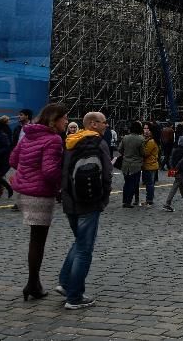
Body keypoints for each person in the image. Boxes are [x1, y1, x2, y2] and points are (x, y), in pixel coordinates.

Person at [9, 103, 67, 300]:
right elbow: (50, 171)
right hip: (40, 193)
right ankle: (32, 283)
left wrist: (27, 172)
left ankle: (34, 283)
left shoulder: (29, 135)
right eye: (64, 118)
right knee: (38, 240)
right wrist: (62, 183)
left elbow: (13, 160)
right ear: (54, 119)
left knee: (36, 238)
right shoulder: (53, 140)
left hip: (24, 192)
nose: (67, 122)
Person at [58, 111, 112, 310]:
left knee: (79, 242)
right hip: (89, 202)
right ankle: (74, 297)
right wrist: (104, 198)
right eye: (104, 122)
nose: (106, 125)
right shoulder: (99, 143)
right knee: (84, 249)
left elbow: (62, 171)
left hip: (69, 200)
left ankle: (65, 283)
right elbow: (107, 173)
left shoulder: (70, 141)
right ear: (93, 124)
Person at [162, 136, 183, 212]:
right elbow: (182, 162)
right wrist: (176, 169)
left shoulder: (174, 150)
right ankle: (167, 204)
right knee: (175, 186)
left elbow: (170, 159)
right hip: (180, 171)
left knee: (182, 187)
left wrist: (172, 168)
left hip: (174, 169)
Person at [118, 121, 145, 208]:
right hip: (136, 165)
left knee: (126, 183)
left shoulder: (125, 137)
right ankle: (128, 202)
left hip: (125, 164)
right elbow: (143, 152)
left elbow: (119, 149)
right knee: (133, 184)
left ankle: (125, 200)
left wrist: (125, 154)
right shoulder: (141, 139)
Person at [0, 117, 15, 199]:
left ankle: (9, 188)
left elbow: (7, 147)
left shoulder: (3, 135)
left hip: (4, 161)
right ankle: (0, 188)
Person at [141, 123, 159, 206]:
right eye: (144, 128)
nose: (145, 130)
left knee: (150, 184)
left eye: (147, 128)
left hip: (150, 165)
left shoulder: (151, 141)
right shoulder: (149, 140)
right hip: (150, 165)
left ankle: (149, 200)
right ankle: (149, 199)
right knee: (150, 184)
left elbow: (145, 153)